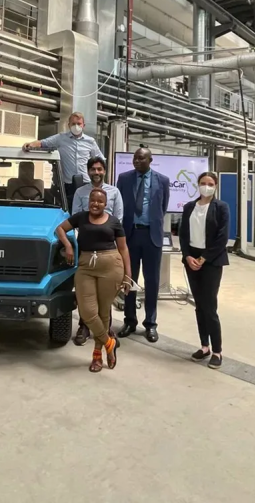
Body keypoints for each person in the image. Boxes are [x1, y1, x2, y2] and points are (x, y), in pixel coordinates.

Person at [55, 188, 131, 372]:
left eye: (99, 201)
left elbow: (123, 249)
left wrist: (128, 276)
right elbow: (60, 229)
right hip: (86, 267)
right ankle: (109, 343)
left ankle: (97, 356)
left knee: (104, 313)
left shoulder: (114, 222)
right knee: (87, 311)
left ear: (106, 204)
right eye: (92, 200)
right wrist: (68, 246)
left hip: (111, 268)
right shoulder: (81, 217)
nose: (95, 204)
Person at [116, 148, 170, 343]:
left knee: (152, 281)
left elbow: (162, 207)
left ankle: (150, 323)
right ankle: (130, 320)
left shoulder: (162, 180)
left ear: (150, 160)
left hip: (151, 236)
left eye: (141, 158)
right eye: (134, 158)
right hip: (130, 235)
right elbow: (120, 206)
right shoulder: (124, 179)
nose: (136, 161)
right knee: (129, 279)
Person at [71, 156, 123, 346]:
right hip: (86, 248)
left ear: (105, 171)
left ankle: (105, 330)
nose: (96, 172)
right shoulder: (80, 192)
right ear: (88, 171)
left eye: (100, 169)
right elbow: (74, 217)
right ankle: (84, 327)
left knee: (105, 294)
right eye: (93, 169)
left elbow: (118, 219)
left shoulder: (115, 192)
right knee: (86, 294)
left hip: (108, 249)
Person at [179, 172, 229, 369]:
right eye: (202, 183)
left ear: (215, 186)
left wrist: (203, 258)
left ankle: (217, 351)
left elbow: (222, 238)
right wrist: (187, 256)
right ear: (197, 185)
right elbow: (183, 235)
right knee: (199, 306)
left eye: (210, 184)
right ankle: (204, 346)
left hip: (211, 261)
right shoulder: (189, 207)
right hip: (191, 260)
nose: (206, 186)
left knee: (209, 307)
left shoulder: (221, 207)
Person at [21, 112, 103, 209]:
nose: (76, 126)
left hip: (86, 184)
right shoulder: (60, 138)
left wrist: (97, 180)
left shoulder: (90, 141)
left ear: (83, 125)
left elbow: (100, 160)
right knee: (69, 211)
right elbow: (43, 143)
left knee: (86, 211)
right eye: (73, 124)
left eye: (79, 124)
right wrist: (30, 144)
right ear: (69, 125)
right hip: (67, 186)